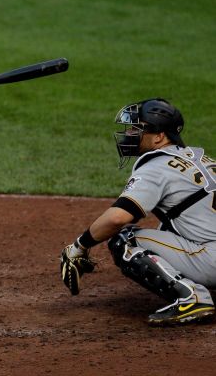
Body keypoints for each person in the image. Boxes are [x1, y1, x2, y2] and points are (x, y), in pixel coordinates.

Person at [60, 98, 216, 326]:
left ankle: (192, 297)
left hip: (212, 260)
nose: (130, 134)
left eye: (137, 128)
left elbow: (117, 217)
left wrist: (79, 246)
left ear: (159, 136)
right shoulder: (202, 159)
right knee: (169, 226)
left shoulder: (156, 166)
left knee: (126, 239)